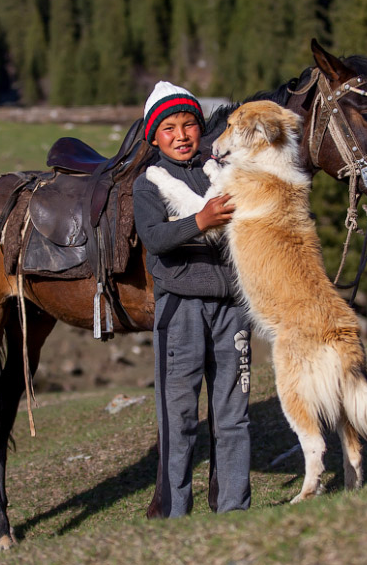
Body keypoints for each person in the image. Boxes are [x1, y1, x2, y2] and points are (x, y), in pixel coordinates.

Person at [133, 81, 252, 517]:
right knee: (179, 419)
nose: (181, 135)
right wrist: (201, 220)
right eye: (168, 128)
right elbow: (155, 238)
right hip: (180, 310)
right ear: (154, 136)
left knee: (234, 416)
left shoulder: (221, 172)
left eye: (189, 125)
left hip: (232, 311)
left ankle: (234, 514)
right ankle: (175, 516)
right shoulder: (148, 185)